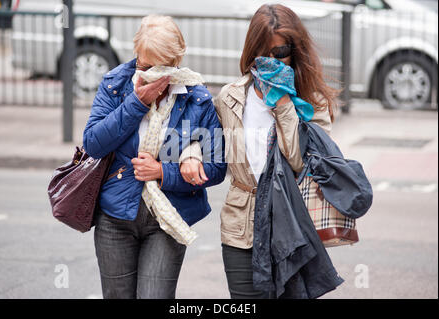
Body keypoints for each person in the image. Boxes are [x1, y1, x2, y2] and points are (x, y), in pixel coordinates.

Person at [180, 4, 340, 298]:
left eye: (280, 53)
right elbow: (203, 134)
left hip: (291, 227)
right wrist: (190, 151)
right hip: (241, 225)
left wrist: (282, 103)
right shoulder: (231, 96)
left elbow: (299, 161)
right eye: (263, 53)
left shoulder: (312, 102)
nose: (271, 61)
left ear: (296, 51)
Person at [83, 15, 227, 299]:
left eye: (162, 68)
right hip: (116, 216)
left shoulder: (197, 98)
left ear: (177, 59)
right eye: (145, 66)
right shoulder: (116, 85)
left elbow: (218, 167)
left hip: (168, 216)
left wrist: (163, 171)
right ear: (137, 54)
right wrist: (136, 103)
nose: (152, 75)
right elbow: (93, 144)